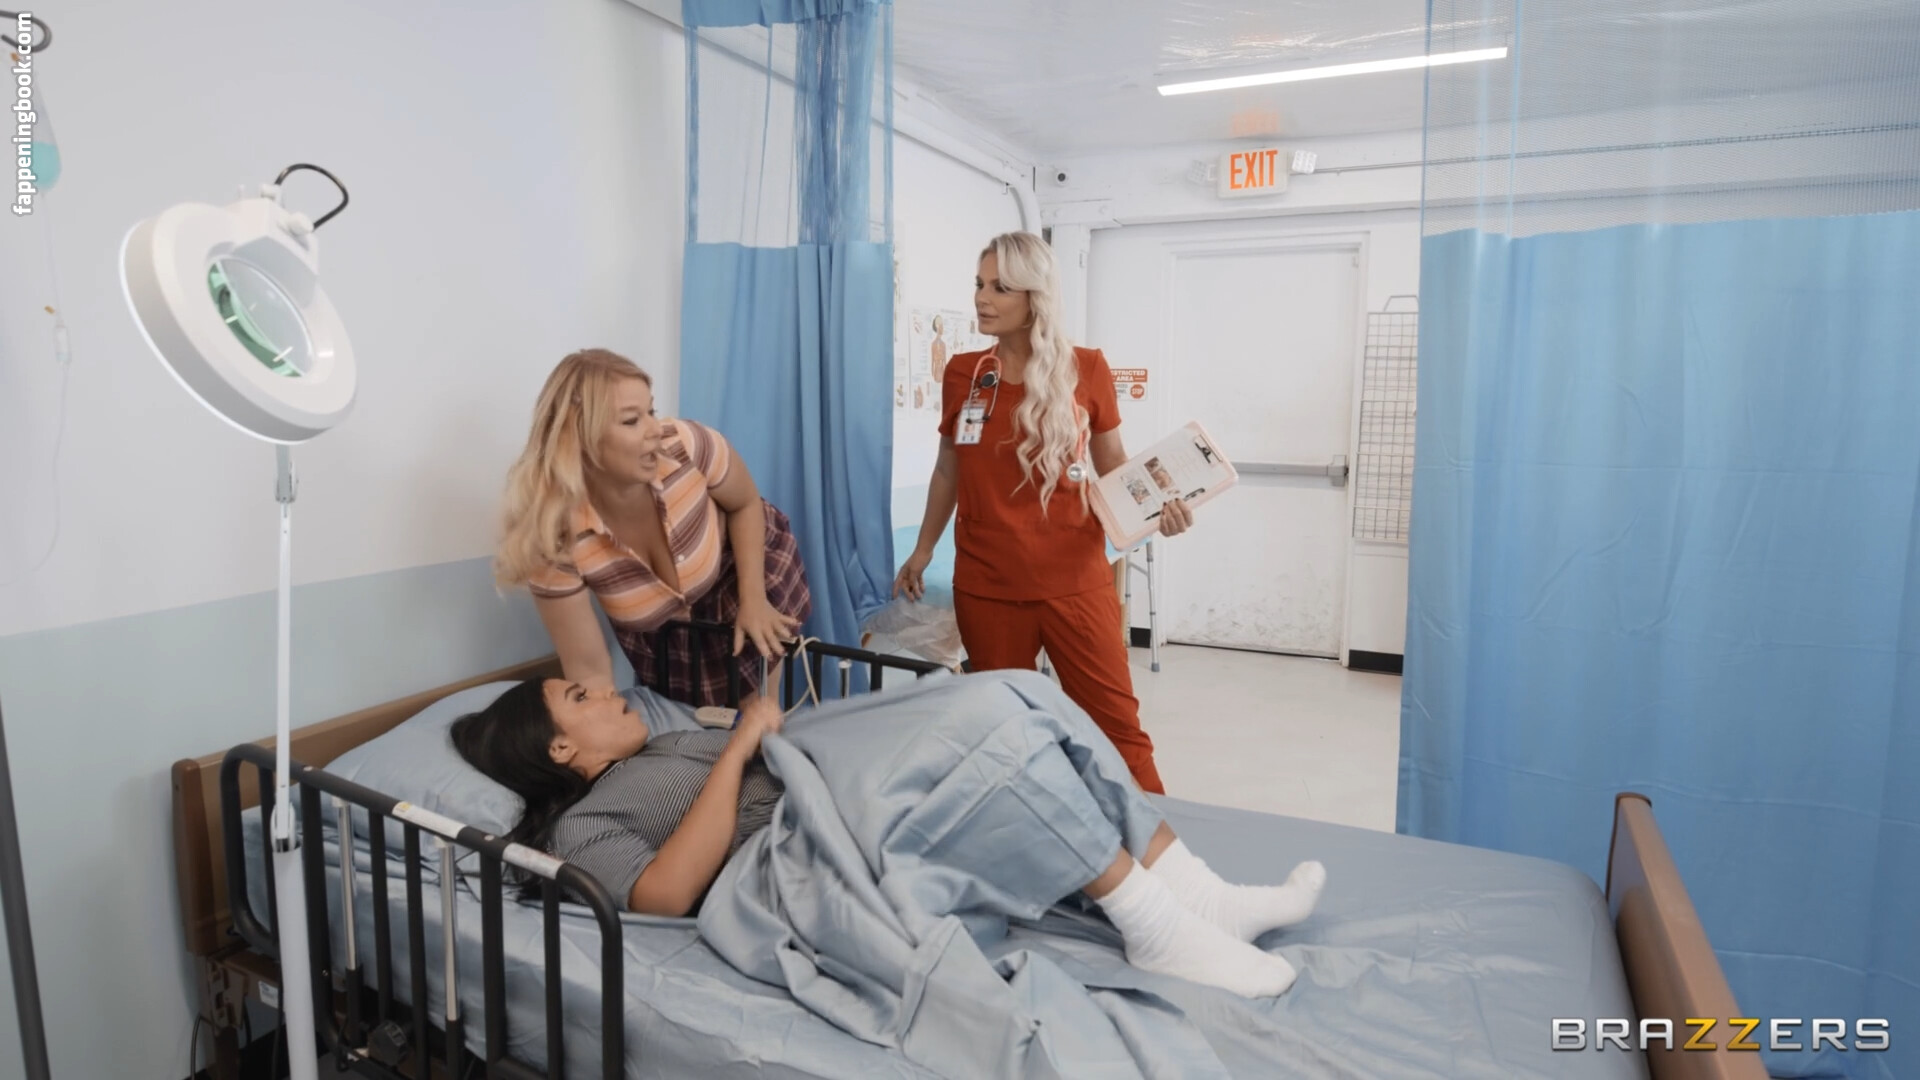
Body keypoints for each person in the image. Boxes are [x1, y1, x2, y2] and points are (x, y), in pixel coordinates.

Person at [449, 677, 1329, 998]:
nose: (608, 692)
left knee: (1022, 693)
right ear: (561, 750)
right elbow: (668, 894)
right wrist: (743, 745)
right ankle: (1160, 930)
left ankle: (1201, 896)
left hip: (819, 772)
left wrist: (753, 733)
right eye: (581, 699)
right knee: (990, 745)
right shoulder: (584, 824)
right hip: (800, 842)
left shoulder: (664, 739)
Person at [893, 232, 1194, 794]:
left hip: (1073, 580)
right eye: (979, 284)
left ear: (1035, 296)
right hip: (986, 585)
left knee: (1118, 734)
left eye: (999, 287)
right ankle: (1032, 836)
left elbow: (1114, 468)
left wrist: (1161, 511)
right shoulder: (963, 373)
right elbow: (948, 470)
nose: (981, 298)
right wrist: (923, 549)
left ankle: (1159, 843)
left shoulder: (1086, 369)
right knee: (1006, 736)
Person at [494, 349, 810, 707]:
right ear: (579, 438)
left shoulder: (688, 445)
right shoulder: (552, 539)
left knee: (756, 710)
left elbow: (746, 503)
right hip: (661, 628)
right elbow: (590, 672)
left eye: (652, 411)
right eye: (632, 421)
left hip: (739, 570)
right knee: (695, 719)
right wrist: (606, 732)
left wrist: (754, 599)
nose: (656, 430)